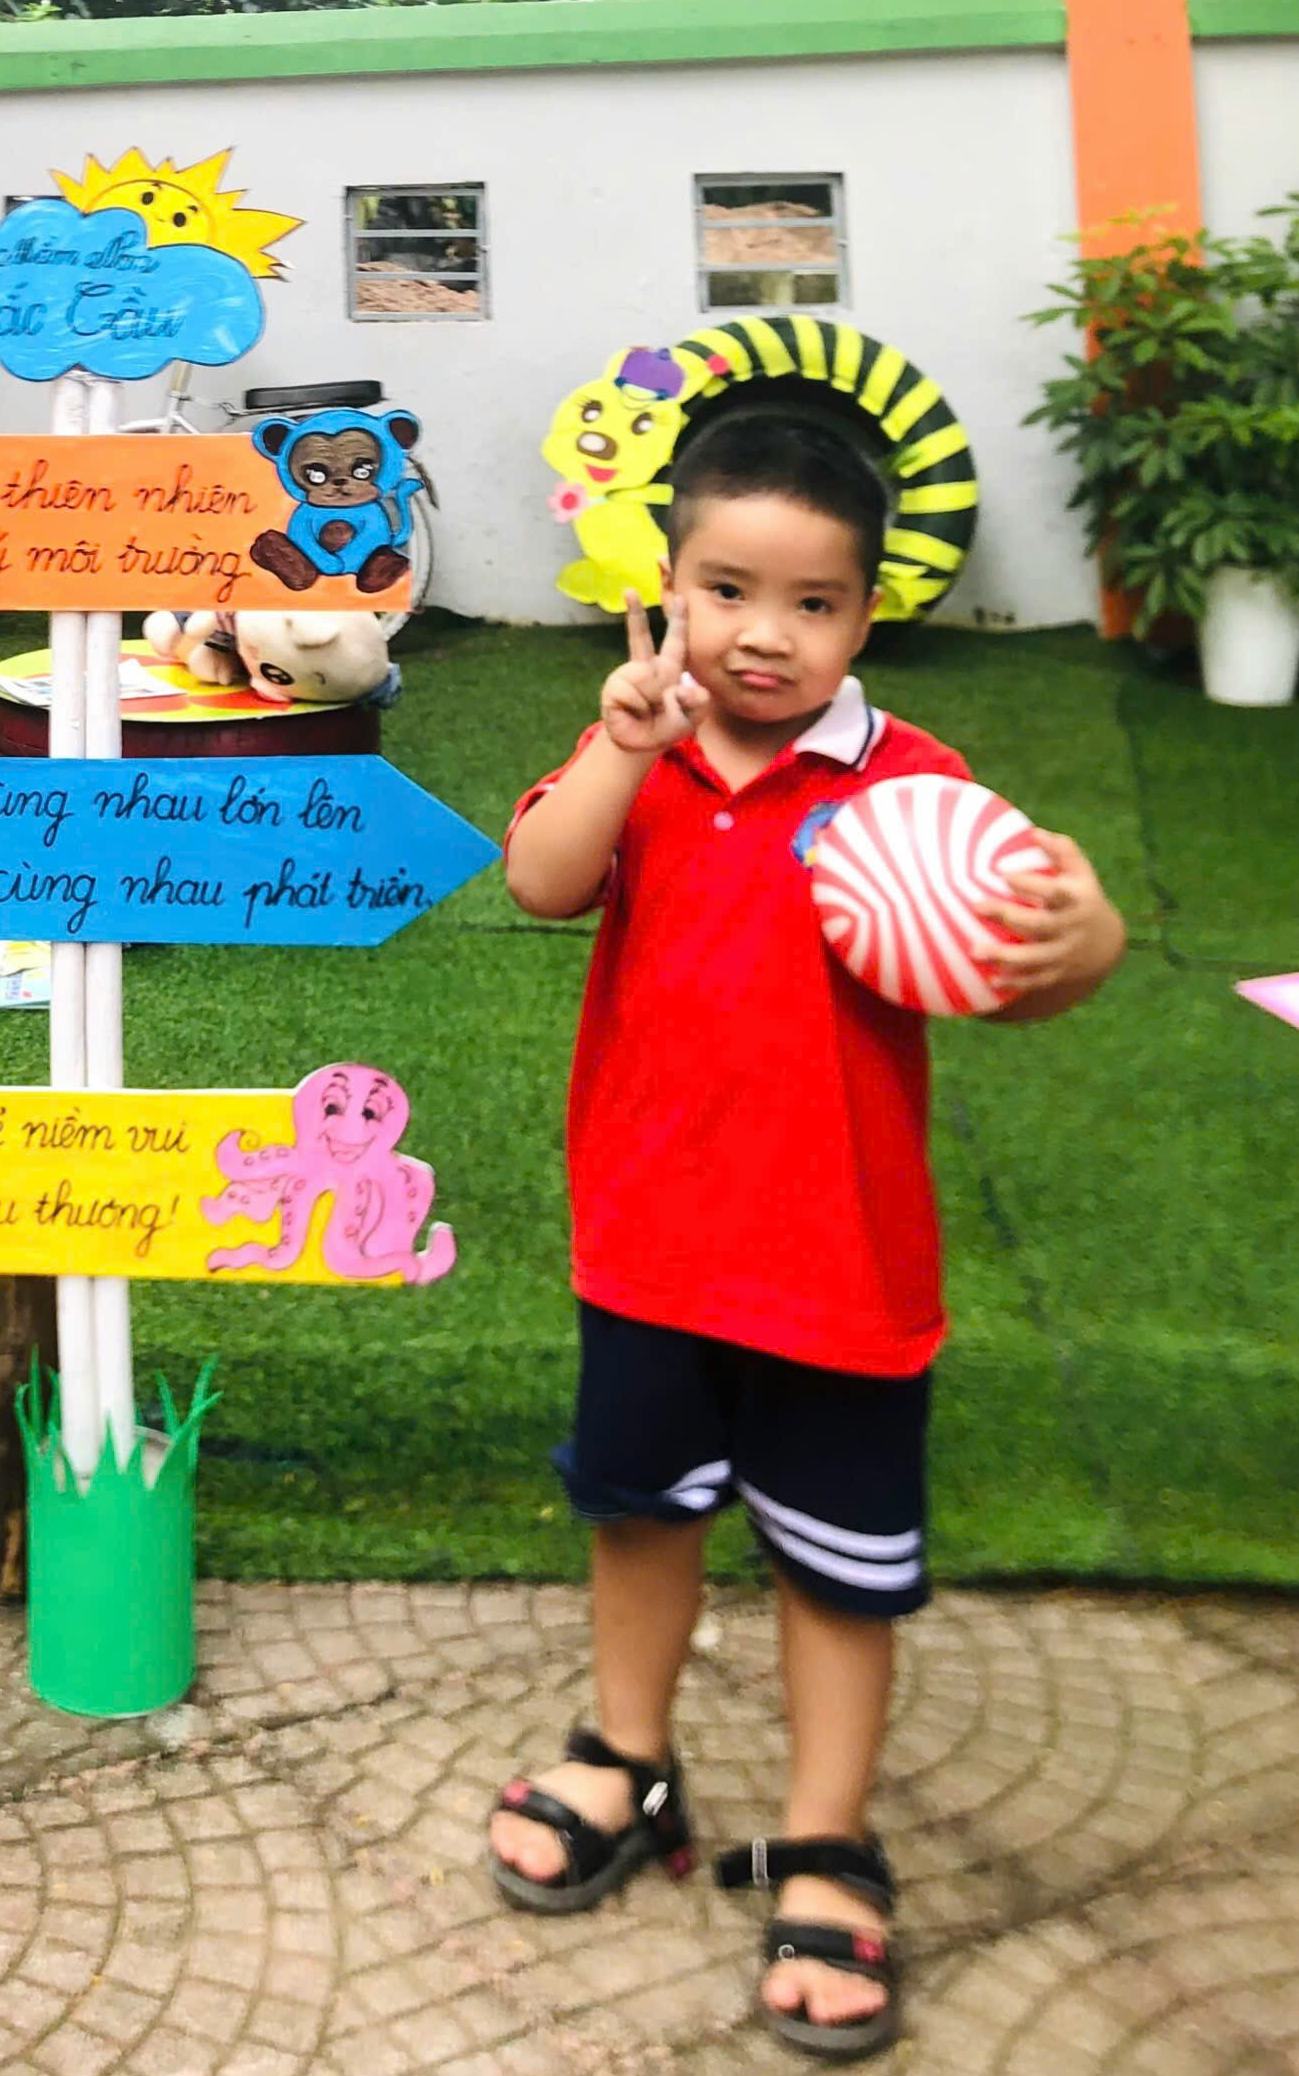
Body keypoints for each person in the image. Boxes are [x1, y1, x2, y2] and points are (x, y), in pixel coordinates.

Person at [493, 413, 1125, 2060]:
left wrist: (1086, 932)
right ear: (666, 584)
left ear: (865, 613)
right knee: (638, 1513)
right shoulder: (637, 749)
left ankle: (827, 1837)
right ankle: (624, 1754)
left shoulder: (915, 790)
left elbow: (1024, 958)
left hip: (841, 1269)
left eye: (812, 603)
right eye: (725, 590)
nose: (762, 634)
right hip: (646, 1245)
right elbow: (539, 880)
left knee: (838, 1569)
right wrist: (617, 745)